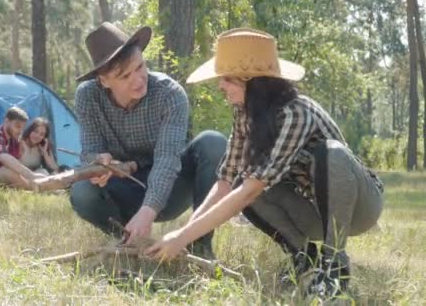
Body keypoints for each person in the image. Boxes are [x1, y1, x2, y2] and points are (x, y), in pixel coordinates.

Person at [145, 28, 384, 297]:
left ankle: (334, 265)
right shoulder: (243, 114)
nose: (220, 86)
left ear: (251, 81)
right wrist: (184, 234)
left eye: (226, 79)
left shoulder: (296, 113)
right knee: (241, 182)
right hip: (312, 211)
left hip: (359, 208)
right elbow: (226, 182)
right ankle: (304, 260)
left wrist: (181, 239)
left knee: (332, 153)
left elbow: (253, 188)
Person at [70, 22, 227, 258]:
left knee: (213, 143)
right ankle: (125, 241)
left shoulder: (170, 94)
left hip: (173, 185)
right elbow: (90, 151)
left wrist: (149, 210)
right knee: (82, 190)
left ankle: (200, 245)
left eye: (140, 67)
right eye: (124, 76)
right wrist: (99, 163)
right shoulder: (87, 96)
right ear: (103, 81)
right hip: (124, 187)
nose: (138, 79)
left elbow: (167, 159)